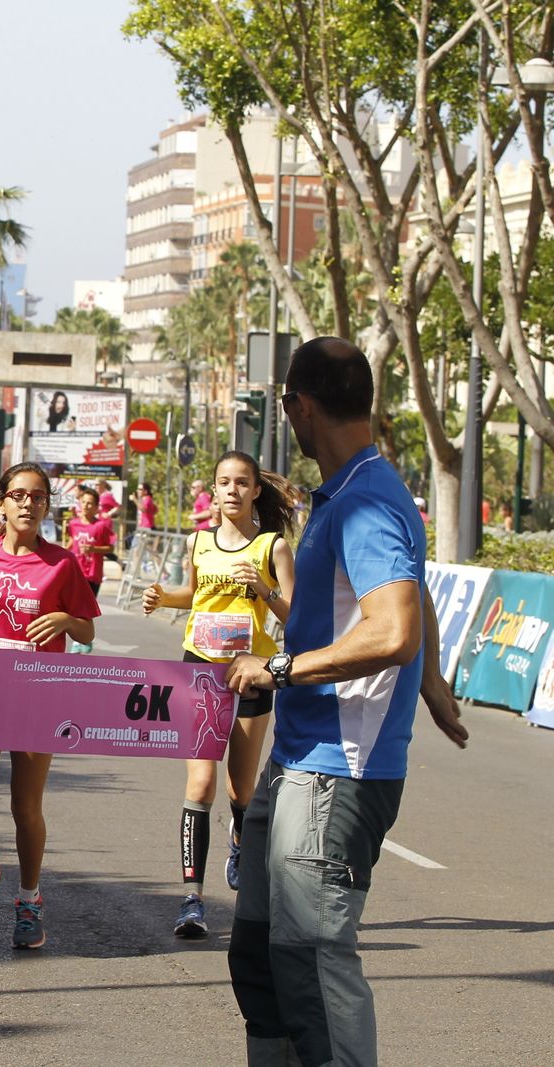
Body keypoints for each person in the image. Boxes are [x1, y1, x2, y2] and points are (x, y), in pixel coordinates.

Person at [223, 338, 467, 1066]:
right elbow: (405, 584)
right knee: (261, 956)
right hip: (298, 761)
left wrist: (282, 668)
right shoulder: (354, 489)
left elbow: (390, 626)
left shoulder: (365, 498)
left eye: (285, 406)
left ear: (300, 406)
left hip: (337, 771)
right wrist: (433, 682)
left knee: (312, 963)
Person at [142, 452, 297, 939]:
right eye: (223, 483)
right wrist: (162, 597)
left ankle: (238, 835)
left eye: (241, 483)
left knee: (241, 790)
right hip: (200, 672)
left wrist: (266, 592)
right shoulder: (198, 542)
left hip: (251, 673)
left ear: (255, 491)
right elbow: (195, 594)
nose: (231, 490)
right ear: (214, 491)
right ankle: (192, 900)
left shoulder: (274, 547)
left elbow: (299, 618)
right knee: (200, 786)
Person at [0, 462, 100, 948]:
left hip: (40, 694)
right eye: (19, 495)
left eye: (38, 497)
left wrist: (62, 619)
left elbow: (87, 630)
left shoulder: (62, 563)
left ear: (46, 505)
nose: (28, 504)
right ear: (1, 501)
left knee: (24, 806)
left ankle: (30, 901)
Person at [66, 486, 115, 596]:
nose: (85, 506)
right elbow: (72, 540)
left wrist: (94, 549)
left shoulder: (101, 526)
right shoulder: (74, 523)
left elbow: (111, 548)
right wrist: (63, 553)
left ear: (96, 507)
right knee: (71, 608)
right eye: (83, 502)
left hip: (93, 574)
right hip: (75, 571)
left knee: (87, 611)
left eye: (89, 503)